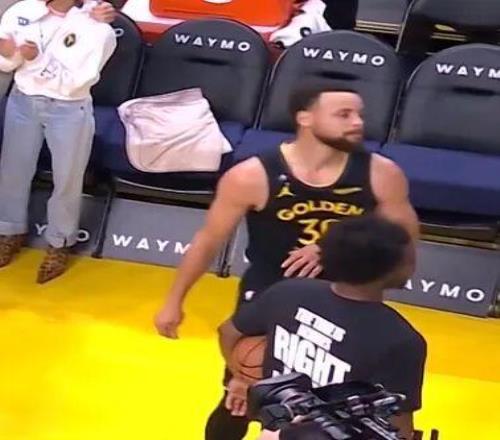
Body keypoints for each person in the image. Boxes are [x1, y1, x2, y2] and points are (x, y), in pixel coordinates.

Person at [154, 83, 419, 439]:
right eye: (343, 114)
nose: (357, 122)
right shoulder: (251, 176)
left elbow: (403, 240)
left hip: (346, 298)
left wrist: (331, 245)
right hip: (272, 294)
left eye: (359, 114)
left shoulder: (381, 173)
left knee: (339, 410)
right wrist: (174, 301)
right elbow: (208, 241)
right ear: (305, 118)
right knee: (240, 395)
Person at [219, 215, 427, 440]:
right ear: (391, 268)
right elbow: (398, 422)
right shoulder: (400, 340)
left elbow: (228, 332)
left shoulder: (288, 291)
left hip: (277, 430)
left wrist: (241, 378)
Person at [0, 0, 117, 282]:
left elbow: (78, 81)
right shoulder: (22, 11)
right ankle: (9, 231)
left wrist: (35, 59)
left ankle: (59, 242)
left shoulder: (98, 28)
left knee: (67, 178)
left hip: (69, 108)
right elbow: (7, 63)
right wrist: (9, 54)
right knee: (13, 172)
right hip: (22, 101)